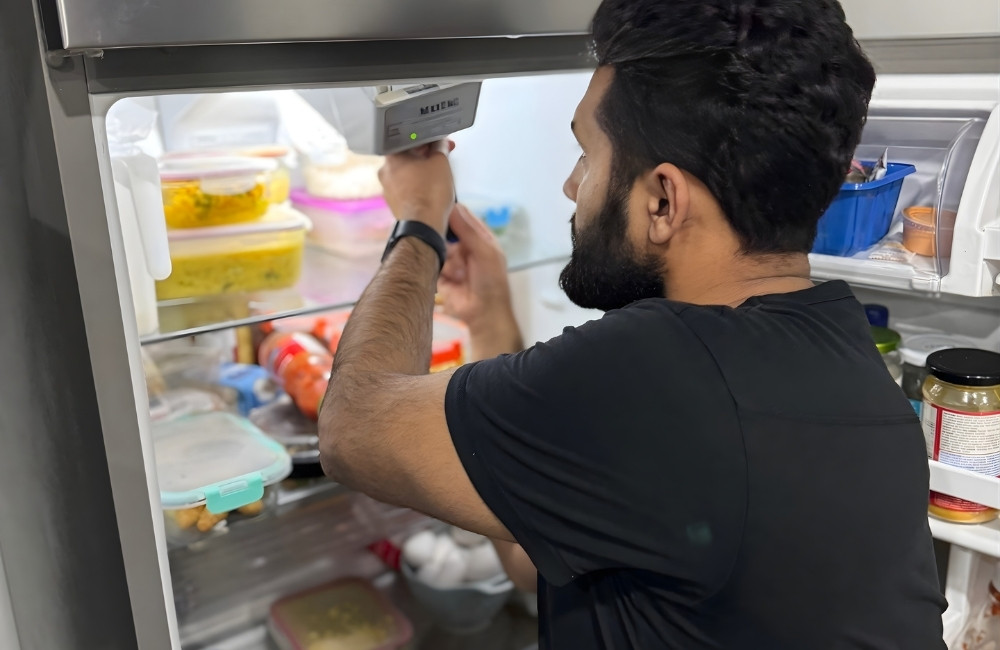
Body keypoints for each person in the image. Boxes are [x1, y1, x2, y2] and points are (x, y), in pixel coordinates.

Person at [317, 0, 947, 647]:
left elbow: (351, 428)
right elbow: (536, 558)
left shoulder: (660, 369)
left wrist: (420, 223)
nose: (572, 186)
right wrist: (491, 317)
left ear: (664, 201)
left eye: (587, 154)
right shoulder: (848, 359)